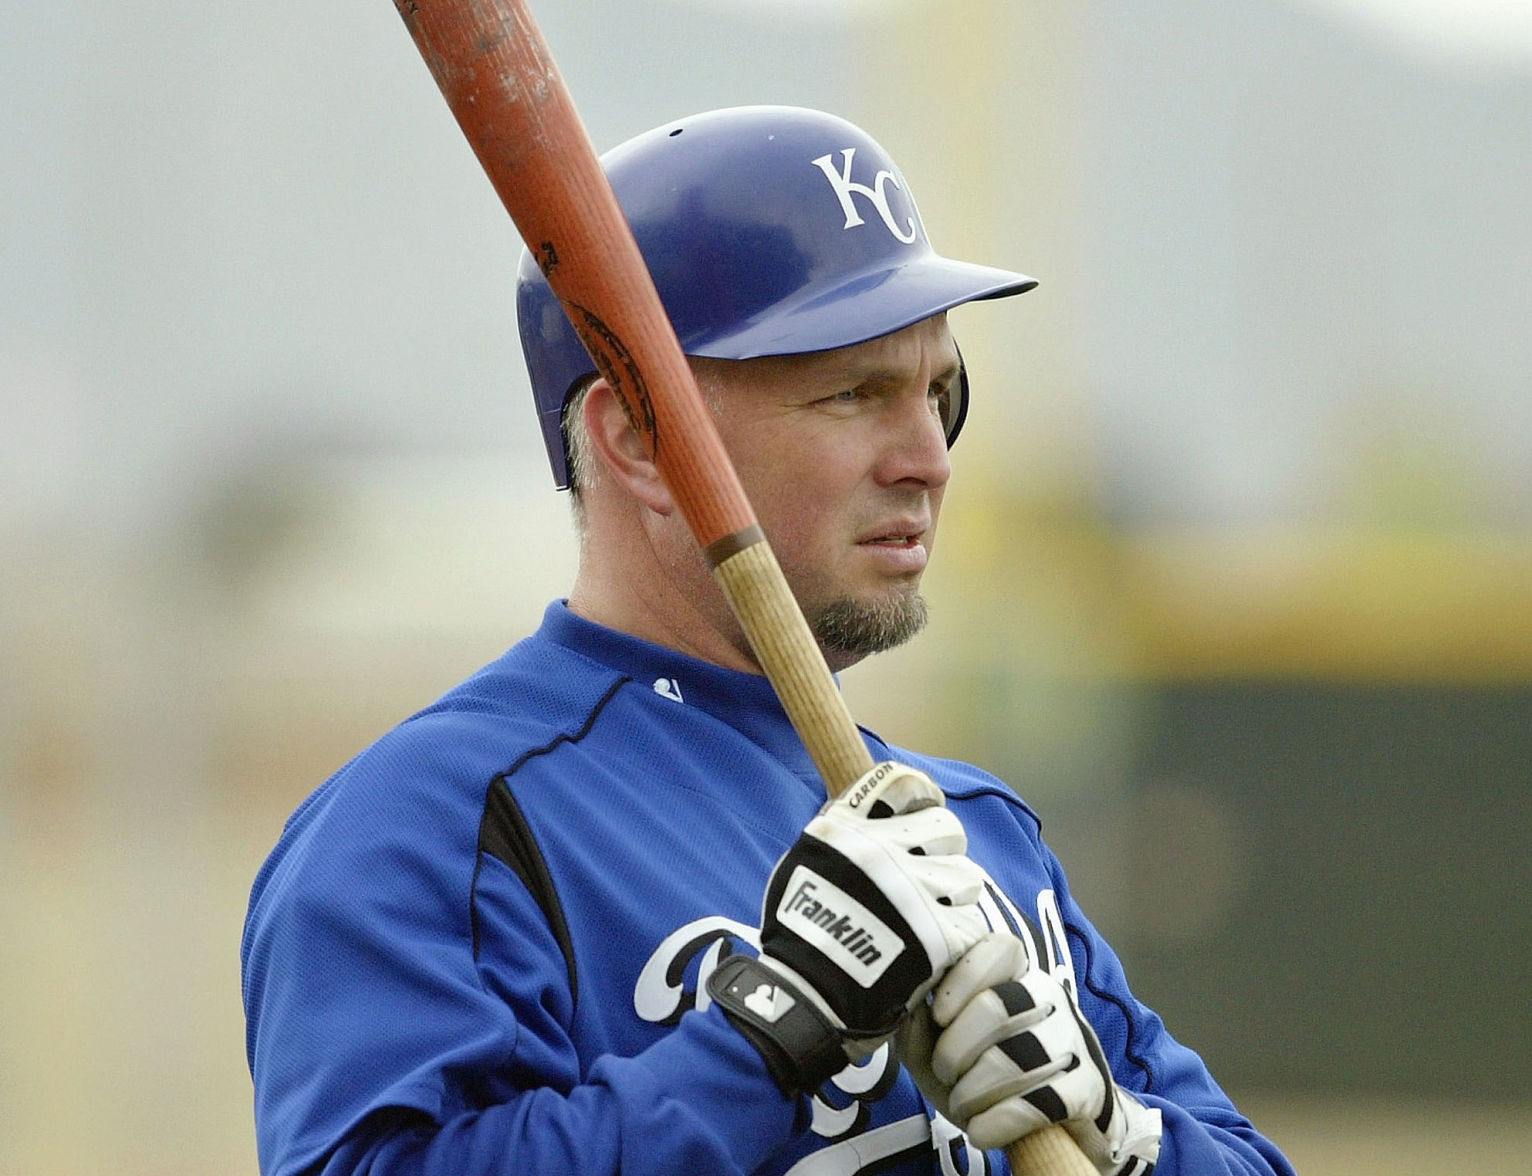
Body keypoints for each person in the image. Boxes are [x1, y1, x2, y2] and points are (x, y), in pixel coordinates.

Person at [241, 105, 1294, 1176]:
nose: (927, 458)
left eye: (939, 391)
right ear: (637, 441)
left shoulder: (971, 835)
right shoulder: (439, 825)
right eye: (855, 394)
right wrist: (771, 1032)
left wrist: (1127, 1135)